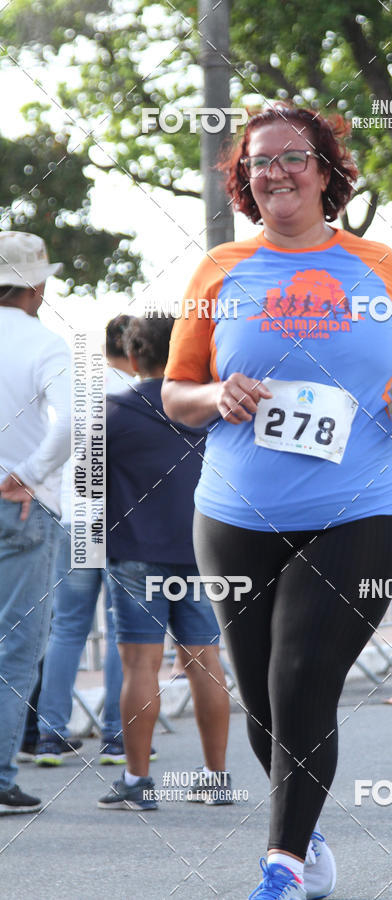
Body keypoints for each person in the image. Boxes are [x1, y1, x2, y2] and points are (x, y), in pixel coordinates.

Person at [162, 105, 392, 899]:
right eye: (259, 162)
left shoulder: (379, 265)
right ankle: (305, 836)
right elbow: (177, 392)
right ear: (244, 180)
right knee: (263, 700)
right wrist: (216, 394)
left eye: (292, 157)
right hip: (235, 514)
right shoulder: (219, 270)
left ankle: (280, 866)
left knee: (301, 677)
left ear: (325, 171)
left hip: (360, 507)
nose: (276, 172)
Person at [98, 313, 231, 811]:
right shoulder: (212, 410)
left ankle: (137, 782)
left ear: (133, 357)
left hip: (135, 552)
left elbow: (86, 481)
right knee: (205, 662)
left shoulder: (113, 413)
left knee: (140, 665)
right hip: (201, 551)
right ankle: (216, 779)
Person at [33, 316, 137, 766]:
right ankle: (117, 736)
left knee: (68, 628)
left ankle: (49, 736)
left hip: (76, 519)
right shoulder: (139, 393)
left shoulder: (79, 389)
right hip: (120, 524)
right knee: (121, 630)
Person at [0, 231, 70, 814]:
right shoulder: (44, 343)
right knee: (16, 648)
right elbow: (75, 419)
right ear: (37, 286)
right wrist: (28, 472)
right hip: (19, 506)